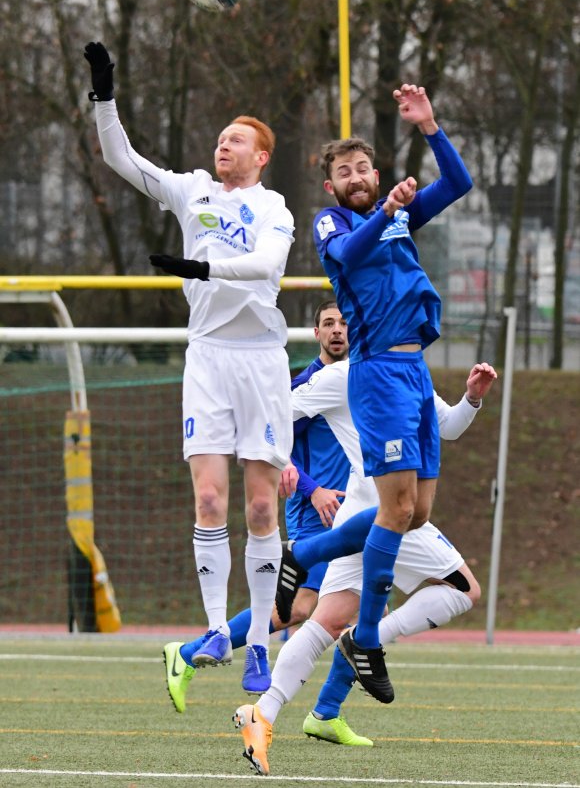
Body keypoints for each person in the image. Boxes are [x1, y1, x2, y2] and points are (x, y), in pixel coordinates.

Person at [84, 42, 296, 694]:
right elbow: (120, 157)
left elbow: (265, 267)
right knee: (209, 498)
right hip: (207, 356)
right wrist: (103, 95)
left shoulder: (274, 208)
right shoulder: (190, 191)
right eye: (220, 138)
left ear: (261, 156)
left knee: (262, 506)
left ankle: (258, 641)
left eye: (236, 140)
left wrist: (202, 266)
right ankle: (215, 631)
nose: (222, 146)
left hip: (261, 361)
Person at [233, 358, 497, 775]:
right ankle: (364, 638)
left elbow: (448, 426)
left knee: (325, 622)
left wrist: (472, 399)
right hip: (391, 513)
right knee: (465, 590)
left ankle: (262, 713)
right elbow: (277, 411)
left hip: (370, 509)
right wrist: (281, 460)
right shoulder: (342, 375)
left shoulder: (411, 370)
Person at [309, 84, 474, 701]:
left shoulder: (399, 213)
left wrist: (430, 126)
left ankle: (312, 551)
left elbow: (458, 184)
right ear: (332, 186)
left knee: (417, 514)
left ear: (376, 174)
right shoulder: (338, 222)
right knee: (398, 511)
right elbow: (350, 254)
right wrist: (384, 212)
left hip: (414, 372)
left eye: (362, 168)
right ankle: (367, 638)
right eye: (342, 172)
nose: (354, 177)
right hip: (376, 371)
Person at [161, 299, 350, 711]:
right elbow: (276, 446)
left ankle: (325, 711)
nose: (337, 330)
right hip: (316, 511)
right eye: (328, 323)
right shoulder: (304, 385)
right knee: (303, 606)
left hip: (351, 511)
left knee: (354, 605)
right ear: (316, 333)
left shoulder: (357, 379)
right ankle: (192, 653)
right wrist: (313, 488)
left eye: (344, 323)